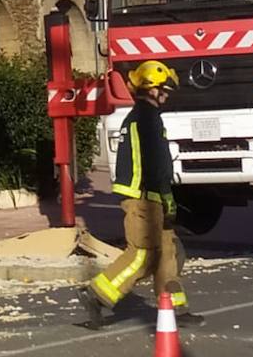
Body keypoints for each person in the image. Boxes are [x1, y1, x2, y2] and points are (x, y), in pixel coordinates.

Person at [81, 60, 204, 330]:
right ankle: (97, 294)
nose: (167, 96)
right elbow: (155, 164)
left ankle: (174, 307)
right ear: (152, 89)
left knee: (168, 253)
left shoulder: (141, 117)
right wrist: (166, 196)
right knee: (143, 255)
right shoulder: (146, 120)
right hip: (144, 199)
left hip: (149, 196)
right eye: (164, 91)